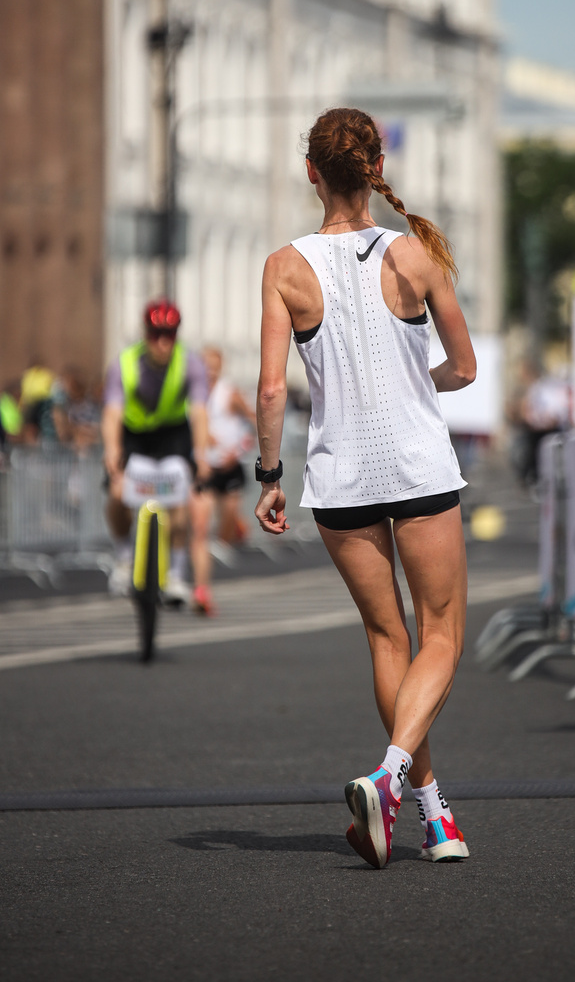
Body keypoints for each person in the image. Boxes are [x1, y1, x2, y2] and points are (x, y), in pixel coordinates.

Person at [255, 107, 476, 868]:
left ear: (310, 171)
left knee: (388, 640)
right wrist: (421, 386)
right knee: (440, 635)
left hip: (339, 476)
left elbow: (271, 392)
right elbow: (465, 367)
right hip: (417, 465)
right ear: (376, 166)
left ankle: (435, 816)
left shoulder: (284, 265)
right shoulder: (415, 255)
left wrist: (268, 475)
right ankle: (390, 776)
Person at [101, 299, 214, 613]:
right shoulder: (124, 363)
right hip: (134, 435)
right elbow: (112, 413)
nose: (163, 343)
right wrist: (111, 452)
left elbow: (200, 412)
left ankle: (176, 574)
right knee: (116, 490)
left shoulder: (190, 363)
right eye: (155, 334)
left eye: (170, 334)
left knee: (178, 497)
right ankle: (124, 559)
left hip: (172, 435)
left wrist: (202, 456)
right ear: (145, 333)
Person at [199, 346, 256, 545]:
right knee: (202, 519)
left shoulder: (229, 392)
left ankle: (225, 546)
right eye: (206, 366)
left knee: (229, 516)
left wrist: (238, 452)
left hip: (230, 463)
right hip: (205, 464)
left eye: (214, 367)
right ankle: (206, 554)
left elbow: (255, 422)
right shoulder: (192, 394)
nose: (210, 371)